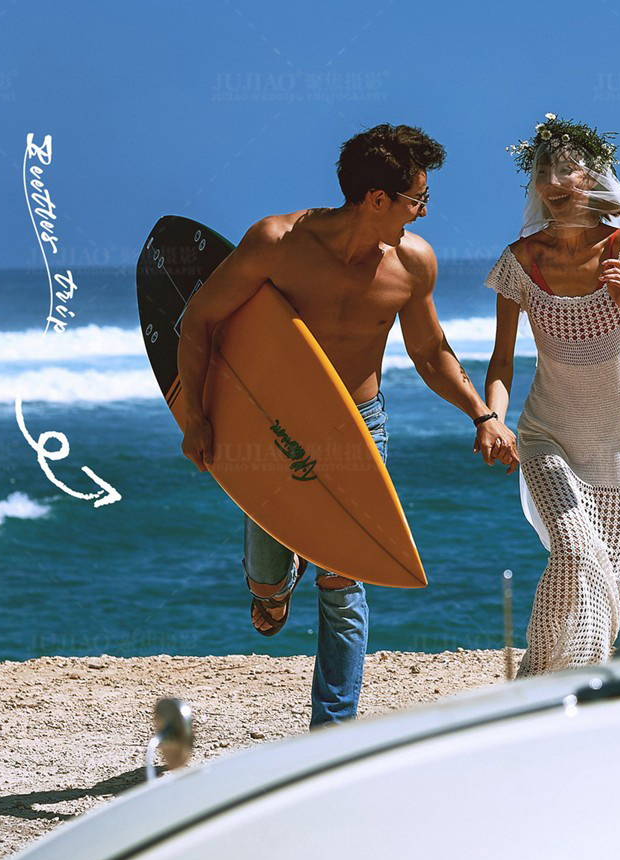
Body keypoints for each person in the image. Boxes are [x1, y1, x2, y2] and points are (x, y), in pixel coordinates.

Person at [177, 123, 517, 726]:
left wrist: (482, 414)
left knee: (344, 581)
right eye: (418, 198)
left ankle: (332, 728)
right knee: (267, 588)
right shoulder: (278, 242)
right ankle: (276, 582)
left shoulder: (412, 262)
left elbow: (430, 353)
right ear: (377, 198)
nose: (424, 211)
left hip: (359, 428)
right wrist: (197, 418)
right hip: (274, 424)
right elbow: (200, 318)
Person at [483, 115, 620, 674]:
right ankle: (558, 681)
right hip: (545, 434)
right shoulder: (519, 261)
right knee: (578, 550)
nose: (552, 182)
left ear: (592, 177)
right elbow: (502, 360)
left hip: (615, 445)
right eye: (542, 171)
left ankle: (548, 680)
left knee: (603, 579)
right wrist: (492, 418)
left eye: (566, 170)